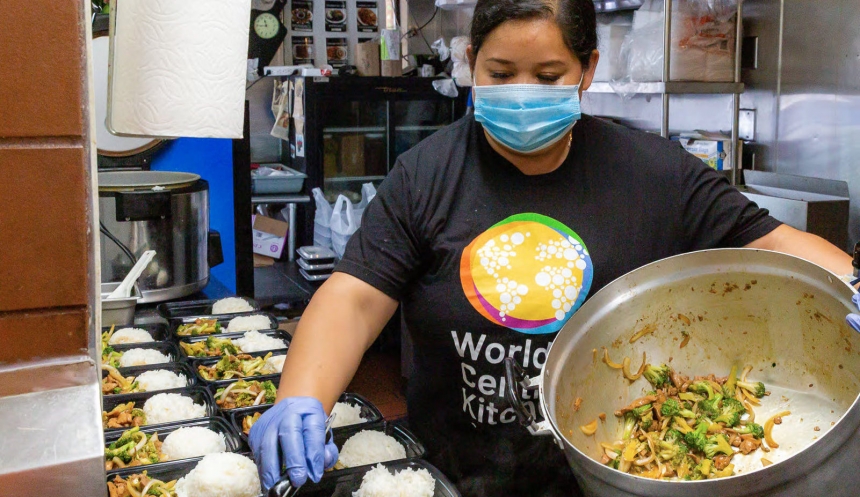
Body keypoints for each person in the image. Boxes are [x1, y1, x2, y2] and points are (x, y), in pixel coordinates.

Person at [249, 0, 860, 494]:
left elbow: (777, 245)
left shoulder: (653, 172)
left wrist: (855, 284)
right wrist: (300, 397)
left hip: (618, 466)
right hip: (457, 472)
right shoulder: (426, 174)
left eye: (547, 77)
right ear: (469, 63)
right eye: (499, 74)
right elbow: (354, 299)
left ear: (587, 70)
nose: (521, 93)